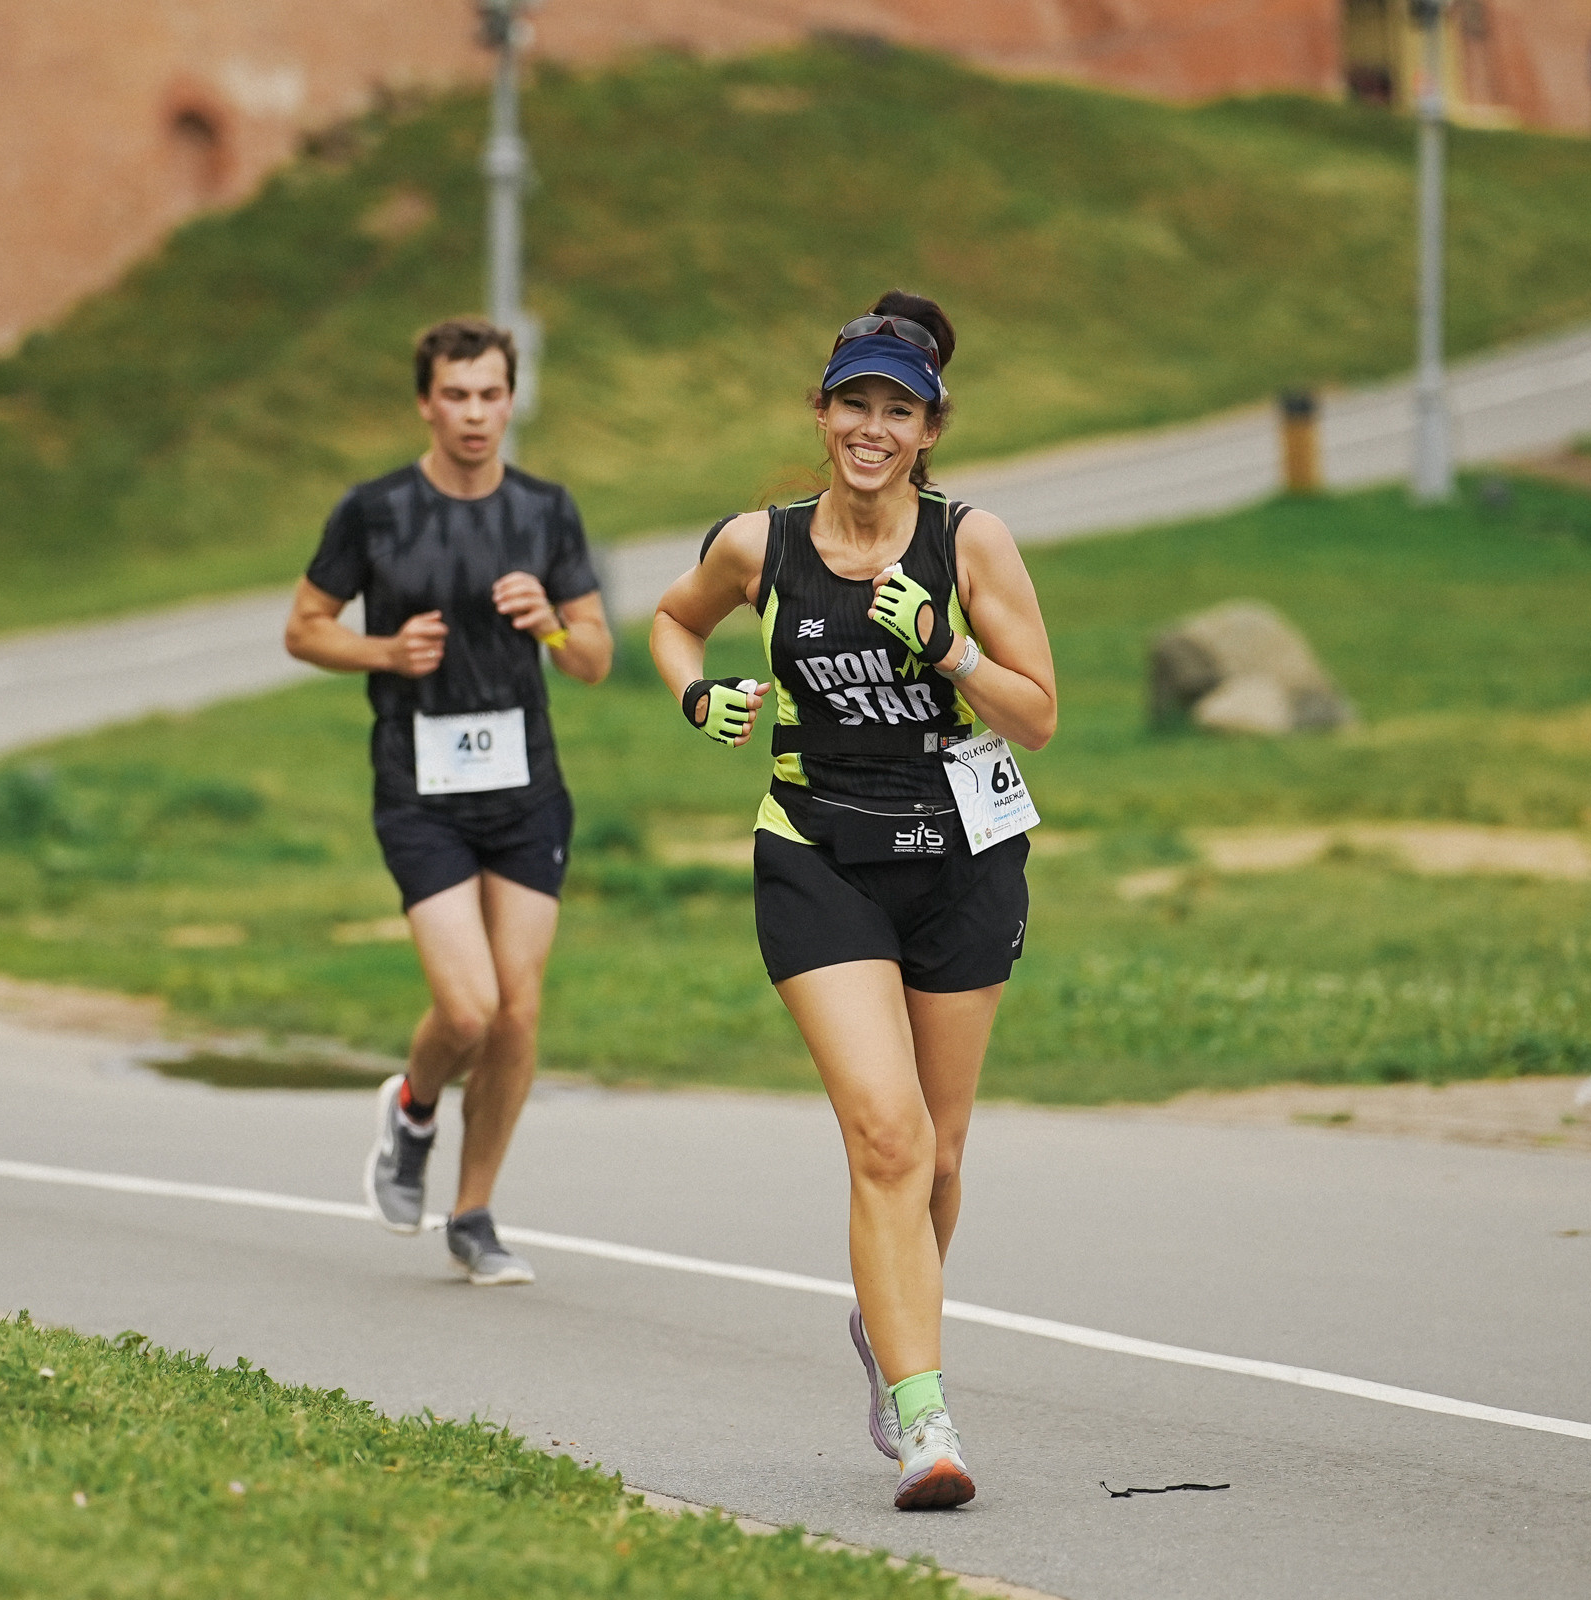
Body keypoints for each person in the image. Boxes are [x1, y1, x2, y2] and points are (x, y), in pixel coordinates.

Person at [648, 290, 1057, 1509]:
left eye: (899, 409)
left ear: (930, 430)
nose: (873, 427)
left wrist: (950, 649)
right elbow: (674, 621)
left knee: (936, 1153)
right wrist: (695, 694)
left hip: (961, 861)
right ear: (820, 414)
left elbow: (1037, 710)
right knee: (885, 1133)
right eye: (854, 404)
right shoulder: (757, 544)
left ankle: (888, 1325)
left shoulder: (969, 543)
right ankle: (928, 1424)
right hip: (817, 852)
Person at [283, 317, 612, 1286]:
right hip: (420, 789)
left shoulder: (547, 512)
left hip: (526, 791)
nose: (475, 413)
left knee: (517, 1012)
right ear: (426, 402)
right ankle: (415, 1104)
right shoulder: (375, 510)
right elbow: (304, 628)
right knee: (466, 1009)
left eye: (491, 393)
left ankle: (472, 1213)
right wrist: (383, 651)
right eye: (456, 395)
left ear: (514, 399)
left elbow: (595, 658)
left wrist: (552, 624)